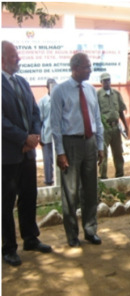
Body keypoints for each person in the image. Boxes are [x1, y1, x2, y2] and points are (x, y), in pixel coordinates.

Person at [2, 40, 52, 267]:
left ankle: (30, 238)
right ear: (2, 58)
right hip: (8, 155)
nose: (18, 59)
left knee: (29, 197)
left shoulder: (22, 82)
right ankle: (9, 248)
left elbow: (34, 111)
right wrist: (23, 138)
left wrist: (33, 136)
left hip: (28, 153)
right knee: (6, 202)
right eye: (14, 56)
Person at [50, 52, 104, 247]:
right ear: (75, 68)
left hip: (89, 142)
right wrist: (60, 152)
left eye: (90, 66)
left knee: (90, 190)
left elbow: (97, 119)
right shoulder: (60, 91)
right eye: (86, 67)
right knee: (70, 192)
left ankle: (90, 230)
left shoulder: (90, 90)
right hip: (70, 144)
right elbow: (55, 124)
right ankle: (72, 235)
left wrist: (99, 145)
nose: (90, 70)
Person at [97, 72, 129, 179]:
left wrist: (126, 126)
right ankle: (103, 177)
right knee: (103, 154)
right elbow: (95, 113)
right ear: (101, 82)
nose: (107, 82)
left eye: (108, 80)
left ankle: (120, 176)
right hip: (104, 129)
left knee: (118, 153)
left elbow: (120, 111)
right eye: (105, 81)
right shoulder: (97, 95)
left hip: (116, 127)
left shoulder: (116, 94)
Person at [38, 78, 57, 186]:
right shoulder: (43, 101)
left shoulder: (59, 99)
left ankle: (59, 181)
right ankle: (48, 181)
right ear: (47, 87)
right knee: (47, 160)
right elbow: (39, 120)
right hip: (47, 135)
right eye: (51, 85)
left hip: (58, 136)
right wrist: (40, 136)